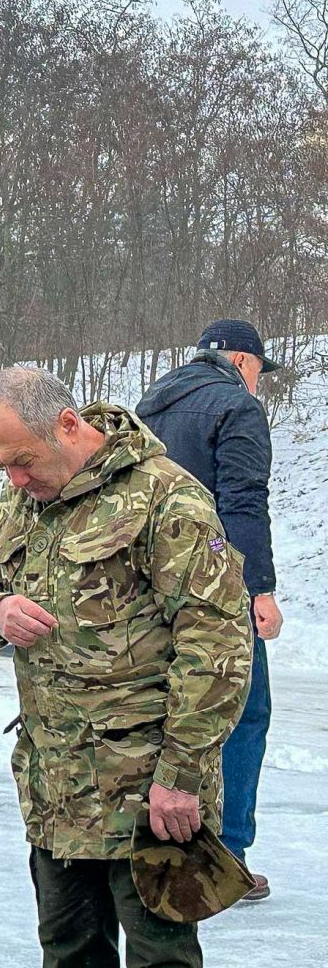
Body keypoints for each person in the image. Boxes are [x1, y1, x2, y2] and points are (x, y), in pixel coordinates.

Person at [0, 366, 252, 968]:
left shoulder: (166, 499)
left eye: (23, 462)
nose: (13, 479)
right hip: (55, 783)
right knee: (68, 953)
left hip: (149, 785)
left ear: (69, 426)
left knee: (158, 956)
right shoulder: (23, 503)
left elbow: (216, 644)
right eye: (1, 466)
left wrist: (182, 773)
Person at [136, 319, 281, 900]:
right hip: (216, 592)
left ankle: (161, 846)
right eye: (258, 372)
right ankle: (229, 858)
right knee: (242, 713)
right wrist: (258, 588)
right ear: (244, 362)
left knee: (168, 711)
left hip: (149, 594)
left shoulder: (149, 407)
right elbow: (243, 500)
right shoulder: (236, 407)